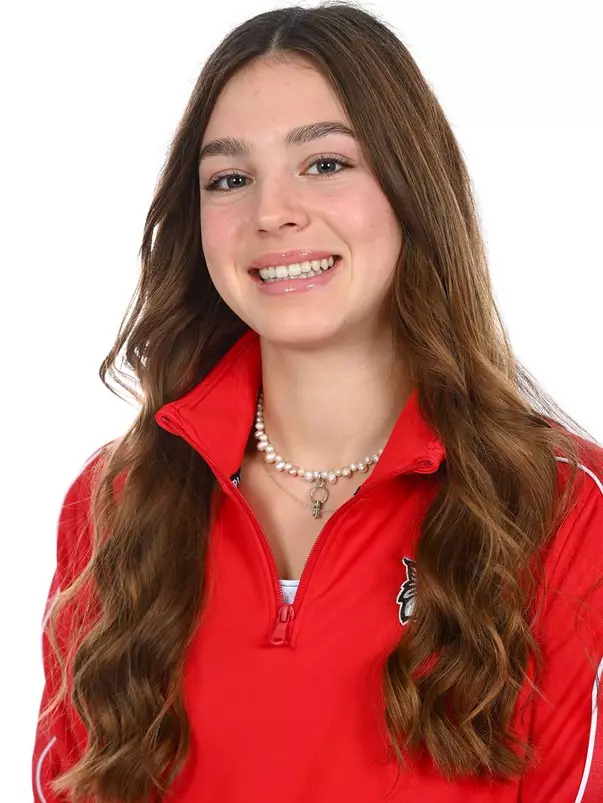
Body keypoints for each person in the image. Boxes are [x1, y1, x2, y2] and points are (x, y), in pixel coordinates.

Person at [32, 3, 603, 802]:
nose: (271, 212)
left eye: (325, 163)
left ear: (411, 187)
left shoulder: (566, 504)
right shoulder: (114, 500)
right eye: (229, 179)